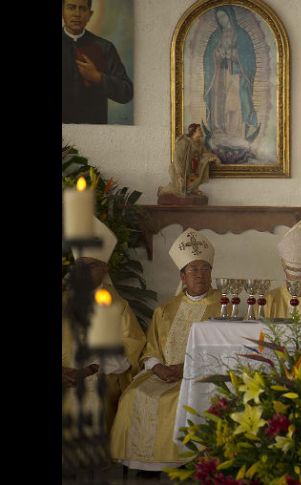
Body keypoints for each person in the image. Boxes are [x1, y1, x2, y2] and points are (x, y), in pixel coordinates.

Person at [110, 228, 221, 472]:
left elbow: (224, 352)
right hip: (162, 374)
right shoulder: (165, 310)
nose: (200, 275)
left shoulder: (223, 308)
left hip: (199, 375)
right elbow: (150, 349)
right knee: (132, 395)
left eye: (205, 269)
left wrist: (185, 368)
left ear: (212, 273)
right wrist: (158, 367)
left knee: (174, 400)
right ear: (182, 276)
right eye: (193, 270)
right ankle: (141, 466)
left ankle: (181, 464)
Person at [62, 217, 147, 432]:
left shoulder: (119, 307)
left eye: (91, 266)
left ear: (105, 268)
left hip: (99, 374)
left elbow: (129, 352)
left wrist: (89, 368)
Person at [203, 5, 260, 163]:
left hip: (236, 77)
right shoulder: (216, 36)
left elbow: (249, 59)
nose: (222, 21)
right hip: (219, 77)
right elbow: (207, 58)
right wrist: (217, 55)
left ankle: (236, 136)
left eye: (224, 17)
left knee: (234, 105)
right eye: (219, 18)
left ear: (230, 16)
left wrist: (235, 55)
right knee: (219, 104)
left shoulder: (242, 35)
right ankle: (219, 133)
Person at [62, 0, 133, 124]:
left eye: (82, 9)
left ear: (90, 15)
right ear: (62, 12)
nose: (77, 14)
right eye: (71, 8)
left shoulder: (105, 47)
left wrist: (98, 77)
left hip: (94, 130)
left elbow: (126, 92)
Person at [158, 123, 220, 201]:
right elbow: (177, 159)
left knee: (190, 185)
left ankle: (193, 190)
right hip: (180, 170)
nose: (201, 131)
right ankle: (162, 190)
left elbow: (204, 154)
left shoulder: (199, 143)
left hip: (192, 170)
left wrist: (213, 157)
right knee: (179, 190)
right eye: (199, 130)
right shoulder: (184, 142)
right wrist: (180, 175)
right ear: (193, 132)